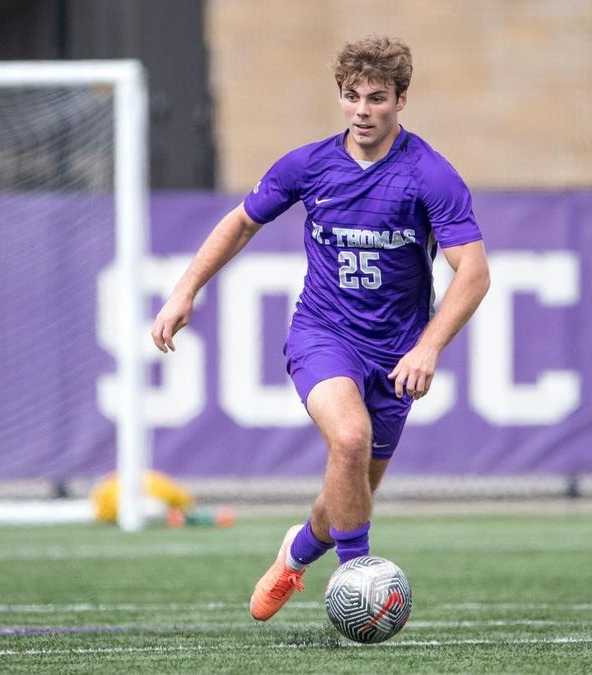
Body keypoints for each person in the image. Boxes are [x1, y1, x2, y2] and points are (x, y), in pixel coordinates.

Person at [151, 35, 490, 622]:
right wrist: (186, 290)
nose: (362, 110)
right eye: (351, 96)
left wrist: (428, 347)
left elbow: (475, 274)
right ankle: (358, 582)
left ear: (401, 100)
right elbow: (241, 223)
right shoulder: (309, 165)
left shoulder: (430, 175)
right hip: (323, 334)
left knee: (348, 495)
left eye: (376, 98)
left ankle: (297, 553)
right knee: (350, 440)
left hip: (396, 355)